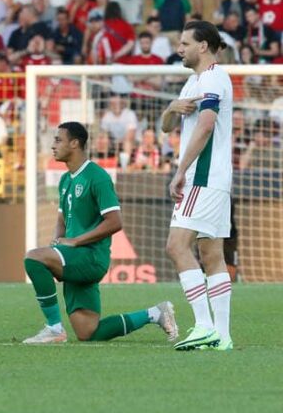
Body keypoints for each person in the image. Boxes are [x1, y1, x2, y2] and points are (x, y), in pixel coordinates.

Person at [21, 121, 178, 344]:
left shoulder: (97, 177)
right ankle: (155, 313)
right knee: (88, 333)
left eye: (58, 140)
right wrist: (57, 244)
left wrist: (76, 241)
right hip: (74, 256)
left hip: (91, 256)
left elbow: (115, 221)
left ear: (74, 143)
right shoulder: (65, 180)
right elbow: (62, 219)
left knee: (33, 257)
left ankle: (54, 328)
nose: (53, 146)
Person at [160, 20, 233, 351]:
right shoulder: (194, 82)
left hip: (202, 178)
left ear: (203, 46)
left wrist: (181, 171)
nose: (179, 49)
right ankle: (222, 336)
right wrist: (172, 108)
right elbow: (166, 127)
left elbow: (205, 126)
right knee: (211, 254)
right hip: (216, 179)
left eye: (185, 43)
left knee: (176, 247)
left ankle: (203, 325)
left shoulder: (213, 78)